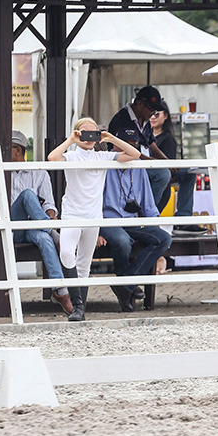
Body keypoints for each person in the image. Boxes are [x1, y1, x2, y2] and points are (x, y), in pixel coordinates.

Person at [49, 117, 141, 322]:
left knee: (84, 264)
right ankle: (77, 305)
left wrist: (109, 137)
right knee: (66, 252)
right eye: (84, 132)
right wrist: (71, 140)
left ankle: (79, 309)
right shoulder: (71, 156)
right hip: (72, 215)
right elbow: (52, 158)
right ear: (77, 133)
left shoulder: (103, 156)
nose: (88, 137)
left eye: (93, 133)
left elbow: (134, 154)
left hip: (93, 217)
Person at [96, 128, 173, 312]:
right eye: (126, 144)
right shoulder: (105, 163)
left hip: (130, 221)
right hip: (108, 221)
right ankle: (128, 287)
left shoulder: (138, 166)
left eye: (134, 145)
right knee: (123, 241)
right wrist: (96, 229)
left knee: (163, 238)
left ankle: (126, 285)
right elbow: (93, 201)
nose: (130, 148)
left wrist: (154, 224)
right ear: (116, 144)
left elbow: (148, 204)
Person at [9, 130, 73, 316]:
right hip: (11, 227)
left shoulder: (40, 173)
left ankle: (61, 292)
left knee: (44, 239)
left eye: (9, 148)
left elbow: (50, 205)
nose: (6, 152)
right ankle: (55, 234)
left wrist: (50, 215)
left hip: (34, 227)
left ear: (19, 151)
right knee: (28, 196)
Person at [107, 86, 171, 206]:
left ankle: (183, 213)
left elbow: (152, 145)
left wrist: (169, 162)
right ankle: (147, 213)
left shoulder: (146, 121)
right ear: (140, 104)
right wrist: (154, 162)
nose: (153, 115)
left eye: (155, 112)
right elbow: (129, 151)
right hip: (128, 164)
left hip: (146, 163)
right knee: (163, 175)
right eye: (151, 110)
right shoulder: (122, 119)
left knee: (186, 173)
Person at [149, 104, 202, 233]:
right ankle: (182, 217)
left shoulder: (167, 139)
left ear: (166, 116)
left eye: (157, 114)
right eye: (151, 114)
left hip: (161, 176)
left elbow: (169, 168)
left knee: (189, 171)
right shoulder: (146, 135)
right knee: (186, 172)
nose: (152, 117)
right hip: (151, 175)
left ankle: (183, 217)